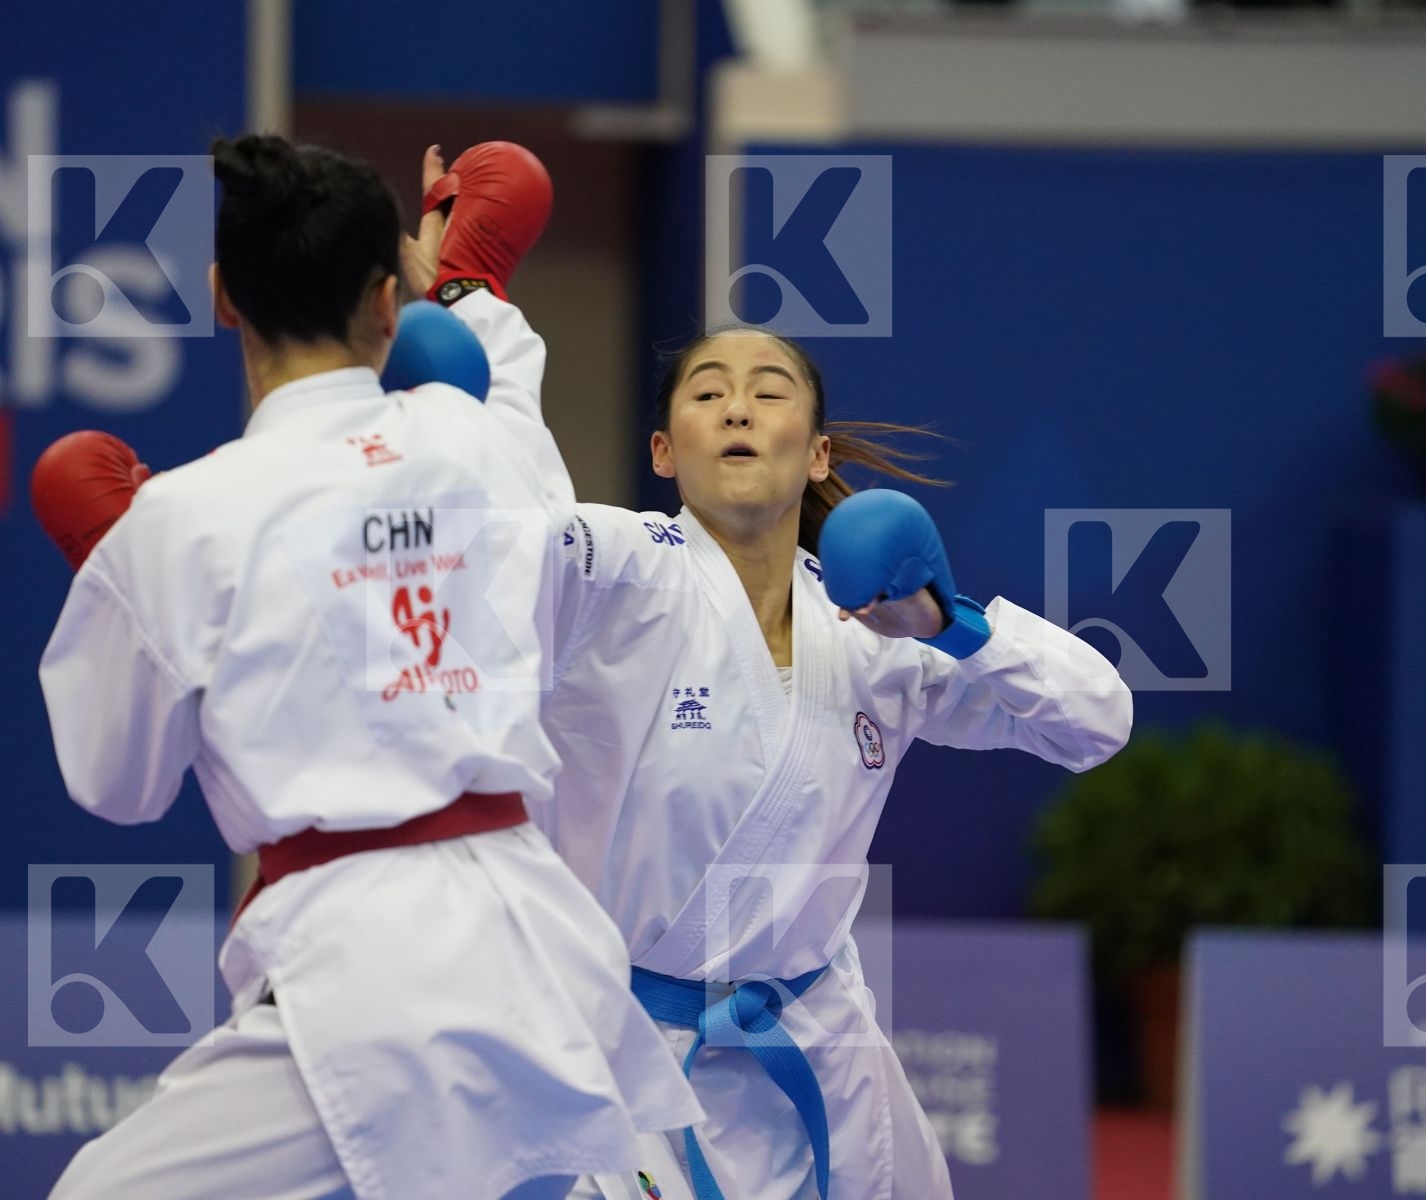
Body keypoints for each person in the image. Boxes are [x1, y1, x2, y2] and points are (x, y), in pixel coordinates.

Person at [32, 135, 701, 1200]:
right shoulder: (471, 438)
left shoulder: (178, 521)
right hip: (539, 933)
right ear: (388, 302)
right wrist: (463, 283)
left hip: (366, 964)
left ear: (222, 296)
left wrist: (118, 580)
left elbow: (120, 786)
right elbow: (533, 501)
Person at [515, 304, 1136, 1189]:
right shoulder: (619, 570)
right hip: (626, 1051)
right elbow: (506, 536)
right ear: (663, 452)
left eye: (768, 393)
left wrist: (952, 627)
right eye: (708, 395)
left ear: (817, 455)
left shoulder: (880, 636)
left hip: (822, 1046)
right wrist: (477, 315)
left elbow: (1097, 722)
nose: (737, 409)